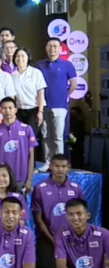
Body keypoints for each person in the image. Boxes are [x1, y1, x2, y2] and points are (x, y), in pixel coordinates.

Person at [32, 154, 85, 268]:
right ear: (51, 166)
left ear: (68, 168)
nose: (60, 169)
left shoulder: (76, 189)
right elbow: (38, 219)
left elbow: (82, 217)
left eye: (63, 166)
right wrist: (53, 240)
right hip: (47, 239)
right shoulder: (40, 188)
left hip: (72, 239)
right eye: (57, 166)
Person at [38, 37, 78, 172]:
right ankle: (48, 162)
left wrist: (65, 95)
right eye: (50, 46)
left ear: (60, 49)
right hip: (43, 105)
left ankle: (58, 164)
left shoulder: (67, 65)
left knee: (58, 137)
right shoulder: (39, 65)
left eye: (55, 46)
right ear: (46, 48)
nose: (52, 49)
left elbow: (74, 84)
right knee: (45, 135)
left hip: (60, 106)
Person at [54, 198, 109, 268]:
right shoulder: (61, 235)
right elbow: (61, 267)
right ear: (66, 216)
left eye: (79, 213)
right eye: (71, 214)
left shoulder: (104, 234)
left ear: (88, 216)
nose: (75, 218)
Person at [0, 98, 37, 193]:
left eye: (10, 108)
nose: (7, 111)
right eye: (4, 108)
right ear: (0, 111)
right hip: (2, 180)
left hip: (21, 179)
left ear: (15, 110)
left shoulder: (27, 129)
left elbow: (31, 157)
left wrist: (29, 180)